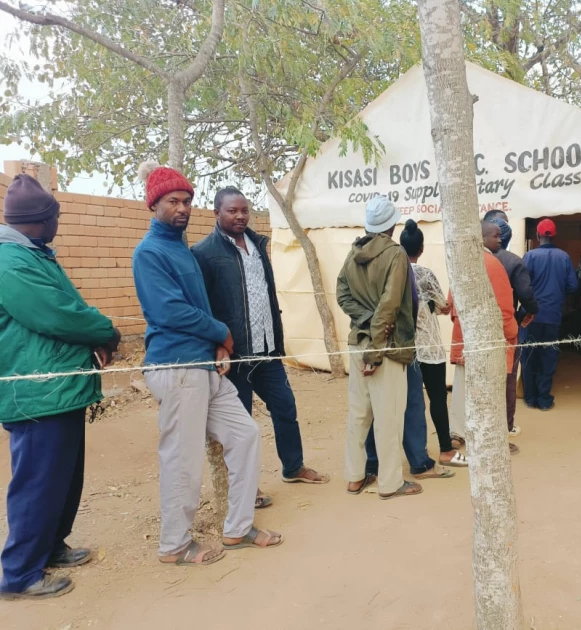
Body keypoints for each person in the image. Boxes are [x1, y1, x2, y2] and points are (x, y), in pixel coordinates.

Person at [133, 162, 281, 566]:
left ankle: (237, 528)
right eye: (172, 202)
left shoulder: (180, 247)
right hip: (176, 367)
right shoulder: (149, 252)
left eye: (186, 202)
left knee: (246, 434)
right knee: (182, 458)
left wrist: (217, 346)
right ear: (154, 205)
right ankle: (174, 545)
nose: (181, 209)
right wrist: (221, 332)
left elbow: (197, 306)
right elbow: (169, 312)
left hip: (204, 366)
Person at [0, 175, 121, 601]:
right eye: (55, 216)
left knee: (63, 479)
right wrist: (105, 331)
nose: (58, 223)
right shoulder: (9, 263)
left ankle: (51, 546)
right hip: (37, 395)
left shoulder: (33, 256)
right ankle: (18, 574)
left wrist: (93, 336)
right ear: (39, 219)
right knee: (37, 483)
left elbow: (70, 307)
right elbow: (57, 315)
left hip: (59, 388)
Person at [192, 187, 329, 510]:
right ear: (216, 214)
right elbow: (204, 306)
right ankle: (245, 489)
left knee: (285, 407)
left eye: (244, 211)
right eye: (232, 211)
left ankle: (293, 467)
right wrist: (217, 346)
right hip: (235, 355)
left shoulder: (257, 245)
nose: (240, 216)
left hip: (266, 351)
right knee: (240, 426)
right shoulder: (204, 253)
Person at [336, 196, 422, 499]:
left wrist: (364, 319)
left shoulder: (353, 252)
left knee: (359, 415)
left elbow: (342, 295)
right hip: (385, 347)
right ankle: (390, 483)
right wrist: (375, 346)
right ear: (392, 225)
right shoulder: (396, 254)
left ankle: (354, 477)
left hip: (358, 343)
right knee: (388, 418)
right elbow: (389, 306)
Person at [365, 219, 466, 474]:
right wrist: (434, 306)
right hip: (429, 347)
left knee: (405, 402)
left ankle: (380, 459)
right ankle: (445, 449)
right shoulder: (424, 274)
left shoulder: (392, 273)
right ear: (421, 249)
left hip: (404, 348)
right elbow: (444, 305)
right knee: (437, 399)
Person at [449, 221, 519, 454]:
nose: (500, 239)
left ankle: (457, 434)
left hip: (464, 338)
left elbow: (451, 304)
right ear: (482, 238)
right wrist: (512, 333)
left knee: (462, 388)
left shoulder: (462, 262)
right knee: (489, 393)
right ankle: (489, 438)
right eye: (495, 235)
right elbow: (505, 308)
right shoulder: (492, 263)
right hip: (488, 342)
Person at [486, 217, 538, 438]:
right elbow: (526, 295)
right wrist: (528, 313)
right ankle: (506, 425)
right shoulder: (513, 261)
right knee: (508, 375)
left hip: (479, 326)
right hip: (506, 326)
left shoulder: (473, 258)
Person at [521, 219, 579, 410]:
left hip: (531, 317)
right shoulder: (564, 257)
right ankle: (544, 399)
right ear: (553, 236)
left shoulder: (530, 256)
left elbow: (522, 285)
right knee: (548, 356)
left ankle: (530, 398)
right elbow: (573, 286)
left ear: (538, 236)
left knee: (529, 356)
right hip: (553, 316)